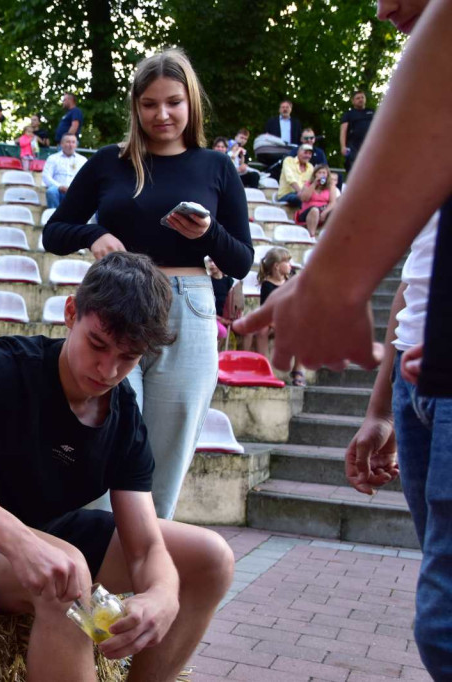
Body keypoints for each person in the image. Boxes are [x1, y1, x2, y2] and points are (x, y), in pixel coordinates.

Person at [0, 252, 235, 682]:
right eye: (98, 345)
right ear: (71, 313)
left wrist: (163, 593)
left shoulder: (122, 415)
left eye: (129, 356)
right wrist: (21, 544)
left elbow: (144, 548)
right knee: (67, 577)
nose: (108, 370)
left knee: (212, 559)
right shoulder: (7, 365)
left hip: (48, 530)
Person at [234, 0, 452, 674]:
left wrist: (333, 282)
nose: (383, 8)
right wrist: (382, 406)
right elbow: (418, 283)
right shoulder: (422, 142)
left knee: (445, 627)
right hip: (423, 388)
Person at [43, 48, 253, 520]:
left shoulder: (216, 167)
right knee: (103, 432)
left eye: (173, 102)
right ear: (135, 108)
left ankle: (142, 574)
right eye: (150, 104)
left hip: (189, 308)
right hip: (114, 306)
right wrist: (93, 233)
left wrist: (208, 234)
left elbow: (240, 260)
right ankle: (86, 567)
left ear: (190, 103)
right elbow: (54, 232)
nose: (162, 114)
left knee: (168, 450)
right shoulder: (107, 163)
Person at [256, 247, 305, 385]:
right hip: (273, 321)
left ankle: (297, 369)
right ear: (277, 266)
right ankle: (263, 369)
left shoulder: (292, 279)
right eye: (287, 262)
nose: (291, 265)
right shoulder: (267, 285)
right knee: (262, 329)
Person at [41, 133, 85, 209]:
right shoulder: (53, 158)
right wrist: (60, 187)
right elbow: (46, 177)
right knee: (51, 192)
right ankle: (54, 217)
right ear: (61, 144)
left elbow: (86, 179)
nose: (70, 145)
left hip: (75, 191)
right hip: (58, 190)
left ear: (76, 145)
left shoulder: (82, 160)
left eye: (73, 142)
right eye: (68, 142)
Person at [340, 89, 375, 176]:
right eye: (358, 98)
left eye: (362, 97)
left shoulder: (372, 112)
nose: (360, 99)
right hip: (353, 147)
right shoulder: (348, 114)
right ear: (353, 101)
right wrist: (343, 146)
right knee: (354, 170)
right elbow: (343, 131)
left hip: (370, 146)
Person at [296, 163, 337, 238]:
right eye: (319, 173)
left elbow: (333, 202)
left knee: (335, 211)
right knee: (315, 210)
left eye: (324, 173)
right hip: (308, 211)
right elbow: (304, 198)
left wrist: (325, 212)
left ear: (327, 175)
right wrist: (314, 184)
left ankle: (327, 236)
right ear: (315, 174)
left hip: (323, 209)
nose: (321, 175)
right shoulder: (308, 184)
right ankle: (312, 235)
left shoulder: (331, 186)